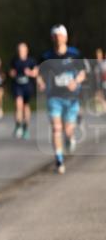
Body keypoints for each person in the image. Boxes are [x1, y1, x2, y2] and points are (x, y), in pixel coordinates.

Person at [38, 25, 86, 174]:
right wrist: (41, 82)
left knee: (68, 130)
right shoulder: (46, 56)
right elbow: (39, 73)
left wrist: (76, 81)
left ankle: (69, 138)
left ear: (66, 37)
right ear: (52, 38)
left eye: (61, 35)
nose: (58, 38)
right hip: (54, 97)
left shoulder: (74, 54)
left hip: (71, 98)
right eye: (55, 35)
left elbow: (83, 72)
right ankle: (59, 160)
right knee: (56, 128)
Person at [9, 42, 38, 139]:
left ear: (26, 51)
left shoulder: (31, 61)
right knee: (18, 104)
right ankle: (18, 125)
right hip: (17, 86)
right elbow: (10, 71)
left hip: (27, 86)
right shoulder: (14, 60)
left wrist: (29, 72)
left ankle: (25, 128)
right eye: (19, 50)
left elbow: (36, 72)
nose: (20, 52)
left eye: (22, 50)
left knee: (26, 106)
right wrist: (12, 73)